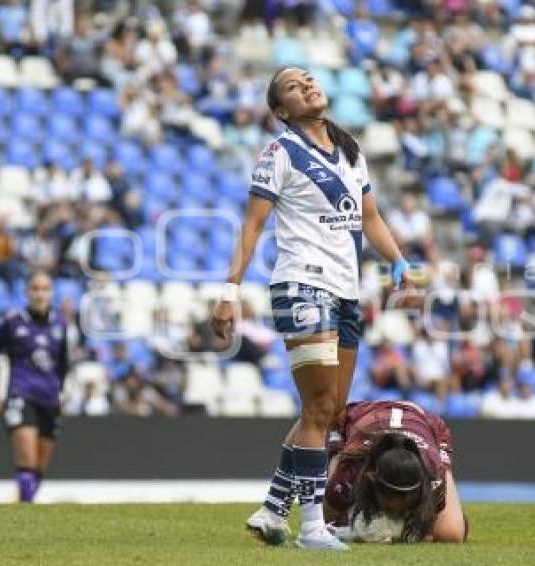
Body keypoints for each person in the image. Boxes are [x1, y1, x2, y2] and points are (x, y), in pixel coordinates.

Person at [210, 67, 411, 550]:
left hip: (346, 291)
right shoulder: (280, 153)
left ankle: (273, 510)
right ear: (282, 111)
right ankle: (314, 527)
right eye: (292, 87)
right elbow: (252, 228)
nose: (306, 85)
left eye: (308, 79)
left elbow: (370, 217)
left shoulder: (350, 151)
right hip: (303, 286)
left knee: (330, 408)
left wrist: (399, 259)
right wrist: (229, 291)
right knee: (319, 408)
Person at [324, 401, 466, 543]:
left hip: (428, 422)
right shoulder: (353, 466)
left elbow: (451, 534)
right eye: (390, 507)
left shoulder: (433, 472)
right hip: (355, 415)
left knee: (451, 533)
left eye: (406, 501)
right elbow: (328, 520)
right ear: (371, 479)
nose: (395, 514)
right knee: (330, 512)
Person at [0, 271, 68, 503]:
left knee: (40, 464)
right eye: (35, 289)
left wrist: (62, 393)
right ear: (27, 292)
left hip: (49, 398)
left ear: (51, 293)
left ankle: (23, 503)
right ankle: (27, 515)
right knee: (27, 459)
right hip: (21, 394)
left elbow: (63, 363)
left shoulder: (60, 323)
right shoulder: (12, 322)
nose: (40, 294)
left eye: (45, 289)